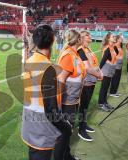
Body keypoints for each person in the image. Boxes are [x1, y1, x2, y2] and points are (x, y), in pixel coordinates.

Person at [21, 24, 77, 160]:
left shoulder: (30, 61)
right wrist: (66, 126)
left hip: (29, 122)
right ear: (52, 41)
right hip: (42, 127)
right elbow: (50, 109)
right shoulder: (48, 68)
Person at [56, 29, 86, 159]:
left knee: (68, 131)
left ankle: (66, 155)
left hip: (73, 99)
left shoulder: (75, 53)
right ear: (78, 39)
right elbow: (61, 79)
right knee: (64, 133)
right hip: (66, 102)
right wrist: (58, 103)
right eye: (81, 38)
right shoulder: (69, 55)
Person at [77, 31, 103, 142]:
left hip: (91, 80)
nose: (90, 37)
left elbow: (94, 63)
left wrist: (99, 72)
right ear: (83, 38)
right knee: (83, 105)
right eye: (88, 35)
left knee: (86, 105)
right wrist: (99, 75)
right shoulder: (80, 50)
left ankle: (84, 124)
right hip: (86, 82)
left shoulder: (88, 49)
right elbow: (87, 68)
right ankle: (81, 129)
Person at [98, 32, 117, 112]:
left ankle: (105, 102)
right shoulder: (107, 48)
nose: (114, 37)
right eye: (113, 36)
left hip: (110, 69)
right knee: (104, 88)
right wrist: (99, 72)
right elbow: (102, 61)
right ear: (109, 38)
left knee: (106, 87)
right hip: (106, 70)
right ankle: (101, 103)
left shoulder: (112, 47)